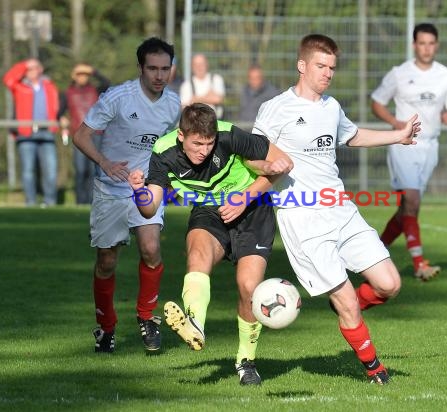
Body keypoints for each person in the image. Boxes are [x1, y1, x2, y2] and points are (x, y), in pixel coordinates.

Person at [251, 34, 419, 385]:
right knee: (347, 303)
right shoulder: (276, 109)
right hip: (302, 219)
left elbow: (353, 136)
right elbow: (253, 154)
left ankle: (349, 307)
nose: (327, 73)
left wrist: (398, 135)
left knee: (390, 284)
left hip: (341, 210)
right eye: (320, 66)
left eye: (332, 68)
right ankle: (375, 370)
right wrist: (267, 171)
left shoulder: (331, 107)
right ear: (302, 65)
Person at [127, 103, 293, 385]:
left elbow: (284, 163)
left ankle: (246, 361)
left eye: (209, 143)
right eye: (197, 144)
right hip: (208, 211)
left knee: (249, 287)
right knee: (197, 255)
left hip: (252, 208)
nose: (203, 150)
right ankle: (195, 324)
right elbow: (149, 207)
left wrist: (245, 197)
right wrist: (139, 192)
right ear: (181, 136)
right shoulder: (163, 152)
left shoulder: (229, 135)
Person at [72, 37, 181, 354]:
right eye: (152, 69)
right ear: (140, 68)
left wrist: (169, 178)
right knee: (107, 261)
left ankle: (147, 318)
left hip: (146, 188)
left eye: (165, 69)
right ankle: (106, 327)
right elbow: (81, 136)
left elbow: (176, 145)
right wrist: (105, 162)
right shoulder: (118, 98)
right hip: (110, 189)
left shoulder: (174, 105)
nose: (159, 76)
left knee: (151, 248)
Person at [371, 23, 447, 281]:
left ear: (437, 45)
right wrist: (394, 123)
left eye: (431, 43)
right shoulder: (399, 74)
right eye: (421, 43)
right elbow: (377, 102)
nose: (426, 48)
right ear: (414, 45)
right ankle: (420, 265)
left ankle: (373, 255)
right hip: (404, 144)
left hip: (430, 146)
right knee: (411, 201)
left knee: (407, 210)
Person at [3, 58, 60, 207]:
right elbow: (8, 78)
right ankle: (30, 202)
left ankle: (50, 202)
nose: (31, 71)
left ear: (40, 69)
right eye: (29, 69)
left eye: (34, 67)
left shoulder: (49, 85)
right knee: (28, 170)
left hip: (47, 131)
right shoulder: (20, 87)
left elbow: (56, 106)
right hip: (26, 133)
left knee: (51, 170)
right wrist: (24, 65)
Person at [59, 63, 111, 204]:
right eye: (79, 74)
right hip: (79, 134)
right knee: (80, 170)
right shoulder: (67, 93)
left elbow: (107, 83)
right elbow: (59, 111)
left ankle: (92, 201)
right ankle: (80, 201)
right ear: (74, 76)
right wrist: (62, 117)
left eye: (85, 75)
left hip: (96, 133)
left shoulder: (96, 90)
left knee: (93, 170)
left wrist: (93, 71)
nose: (82, 77)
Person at [179, 53, 225, 118]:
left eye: (201, 64)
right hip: (195, 124)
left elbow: (218, 99)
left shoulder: (216, 79)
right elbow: (184, 108)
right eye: (196, 65)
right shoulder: (186, 85)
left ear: (207, 64)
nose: (199, 67)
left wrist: (196, 100)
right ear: (192, 67)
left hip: (216, 123)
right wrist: (208, 97)